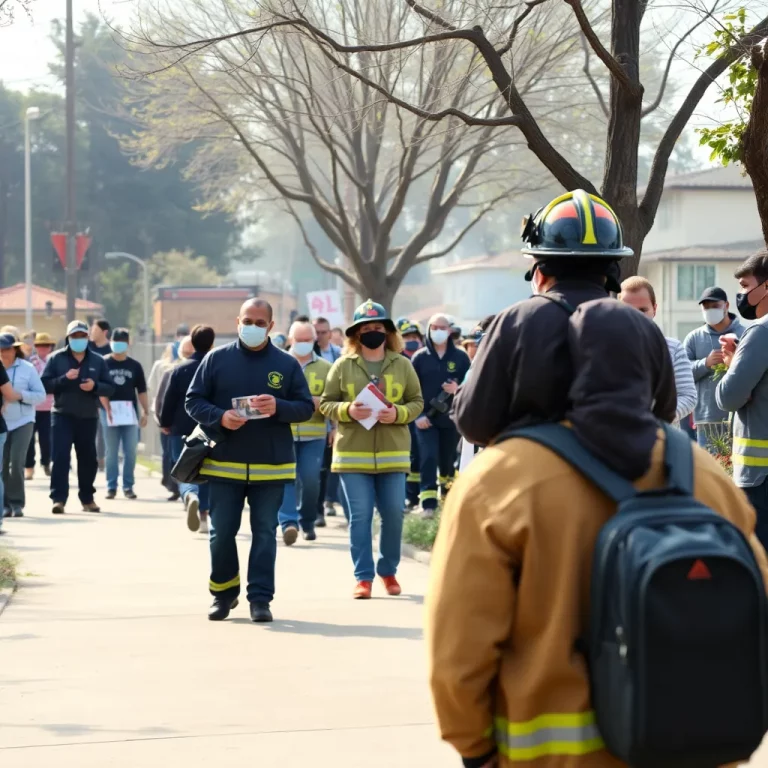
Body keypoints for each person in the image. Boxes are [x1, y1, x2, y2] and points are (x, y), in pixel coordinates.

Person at [426, 293, 768, 768]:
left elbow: (458, 650)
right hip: (694, 750)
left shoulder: (499, 480)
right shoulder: (705, 474)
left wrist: (475, 747)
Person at [454, 190, 677, 446]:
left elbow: (473, 422)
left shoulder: (513, 322)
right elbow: (665, 413)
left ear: (538, 273)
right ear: (612, 270)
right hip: (628, 480)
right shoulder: (643, 328)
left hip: (533, 479)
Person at [186, 298, 314, 623]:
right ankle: (223, 594)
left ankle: (260, 599)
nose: (253, 327)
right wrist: (220, 417)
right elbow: (193, 400)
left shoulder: (286, 364)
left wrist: (279, 407)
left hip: (270, 467)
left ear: (271, 327)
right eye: (248, 320)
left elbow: (305, 407)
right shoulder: (216, 360)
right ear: (237, 320)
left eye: (260, 322)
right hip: (224, 464)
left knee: (264, 533)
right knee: (221, 533)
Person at [319, 299, 423, 599]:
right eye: (366, 329)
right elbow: (326, 403)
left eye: (378, 327)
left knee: (393, 513)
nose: (373, 332)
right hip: (353, 454)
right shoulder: (342, 365)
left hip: (393, 454)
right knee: (360, 516)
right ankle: (363, 577)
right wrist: (348, 409)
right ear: (356, 334)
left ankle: (388, 571)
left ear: (388, 332)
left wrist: (398, 414)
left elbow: (417, 401)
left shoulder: (402, 364)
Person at [717, 251, 768, 549]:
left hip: (760, 480)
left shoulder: (760, 332)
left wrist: (733, 364)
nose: (741, 295)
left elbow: (728, 397)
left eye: (745, 286)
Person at [42, 320, 114, 515]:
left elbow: (110, 387)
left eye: (82, 336)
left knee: (88, 459)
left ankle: (87, 498)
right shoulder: (56, 359)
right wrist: (65, 379)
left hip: (88, 416)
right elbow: (45, 385)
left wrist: (95, 387)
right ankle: (58, 499)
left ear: (87, 337)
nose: (79, 340)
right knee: (60, 457)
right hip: (62, 415)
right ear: (68, 338)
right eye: (75, 336)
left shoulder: (98, 360)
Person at [277, 319, 332, 543]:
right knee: (286, 478)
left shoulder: (326, 368)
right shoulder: (278, 364)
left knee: (310, 480)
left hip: (315, 433)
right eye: (298, 340)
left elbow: (334, 400)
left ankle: (307, 520)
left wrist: (333, 426)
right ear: (290, 340)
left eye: (307, 340)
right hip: (283, 432)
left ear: (314, 340)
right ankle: (289, 523)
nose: (302, 344)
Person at [411, 313, 470, 517]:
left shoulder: (460, 357)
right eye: (434, 327)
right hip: (425, 420)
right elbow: (409, 390)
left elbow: (472, 385)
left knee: (448, 461)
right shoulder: (419, 358)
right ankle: (427, 503)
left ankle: (448, 500)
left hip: (451, 419)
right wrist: (417, 416)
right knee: (428, 457)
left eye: (442, 328)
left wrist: (457, 389)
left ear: (450, 331)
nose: (438, 331)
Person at [618, 276, 697, 426]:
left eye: (643, 310)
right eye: (629, 310)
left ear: (654, 309)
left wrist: (658, 419)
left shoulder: (672, 349)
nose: (637, 316)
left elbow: (688, 396)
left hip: (662, 438)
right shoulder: (606, 347)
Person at [160, 324, 215, 533]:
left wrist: (165, 423)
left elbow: (169, 399)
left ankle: (190, 495)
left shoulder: (179, 369)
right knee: (207, 471)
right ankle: (203, 516)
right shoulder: (215, 368)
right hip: (209, 429)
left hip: (180, 428)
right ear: (211, 344)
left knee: (183, 470)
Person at [685, 286, 747, 452]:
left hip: (739, 416)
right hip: (706, 419)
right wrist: (705, 363)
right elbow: (682, 373)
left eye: (715, 306)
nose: (710, 310)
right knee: (711, 471)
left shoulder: (744, 334)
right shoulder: (694, 338)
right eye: (706, 307)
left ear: (726, 305)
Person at [0, 334, 45, 518]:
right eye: (1, 350)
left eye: (8, 349)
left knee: (16, 462)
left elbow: (40, 395)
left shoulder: (27, 369)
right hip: (2, 423)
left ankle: (17, 502)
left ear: (15, 349)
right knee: (2, 465)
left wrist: (19, 395)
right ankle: (4, 504)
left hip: (23, 421)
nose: (4, 353)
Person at [102, 329, 149, 500]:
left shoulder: (134, 366)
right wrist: (106, 408)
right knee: (111, 451)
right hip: (109, 411)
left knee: (131, 450)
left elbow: (142, 390)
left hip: (129, 413)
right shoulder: (104, 363)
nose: (118, 344)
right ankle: (111, 486)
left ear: (128, 344)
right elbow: (99, 390)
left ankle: (128, 485)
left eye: (122, 341)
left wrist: (146, 411)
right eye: (116, 341)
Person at [312, 315, 344, 526]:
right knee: (316, 469)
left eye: (324, 332)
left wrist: (335, 424)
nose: (320, 336)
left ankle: (329, 501)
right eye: (317, 332)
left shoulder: (339, 356)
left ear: (330, 334)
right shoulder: (306, 356)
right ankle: (316, 510)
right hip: (313, 421)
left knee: (330, 466)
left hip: (335, 418)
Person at [148, 344, 184, 501]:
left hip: (174, 420)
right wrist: (162, 421)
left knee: (177, 455)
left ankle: (182, 488)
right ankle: (174, 485)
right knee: (170, 454)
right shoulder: (164, 368)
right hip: (167, 418)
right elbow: (160, 396)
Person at [398, 319, 425, 510]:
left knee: (420, 457)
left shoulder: (424, 358)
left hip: (424, 415)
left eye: (414, 337)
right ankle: (409, 496)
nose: (411, 341)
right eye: (407, 337)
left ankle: (417, 496)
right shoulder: (398, 360)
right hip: (403, 415)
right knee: (407, 456)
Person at [25, 332, 56, 479]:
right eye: (39, 346)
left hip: (49, 407)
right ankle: (29, 466)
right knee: (29, 439)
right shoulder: (30, 363)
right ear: (35, 347)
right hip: (32, 407)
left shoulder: (54, 361)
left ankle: (46, 463)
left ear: (50, 347)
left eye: (46, 345)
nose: (42, 348)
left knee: (46, 438)